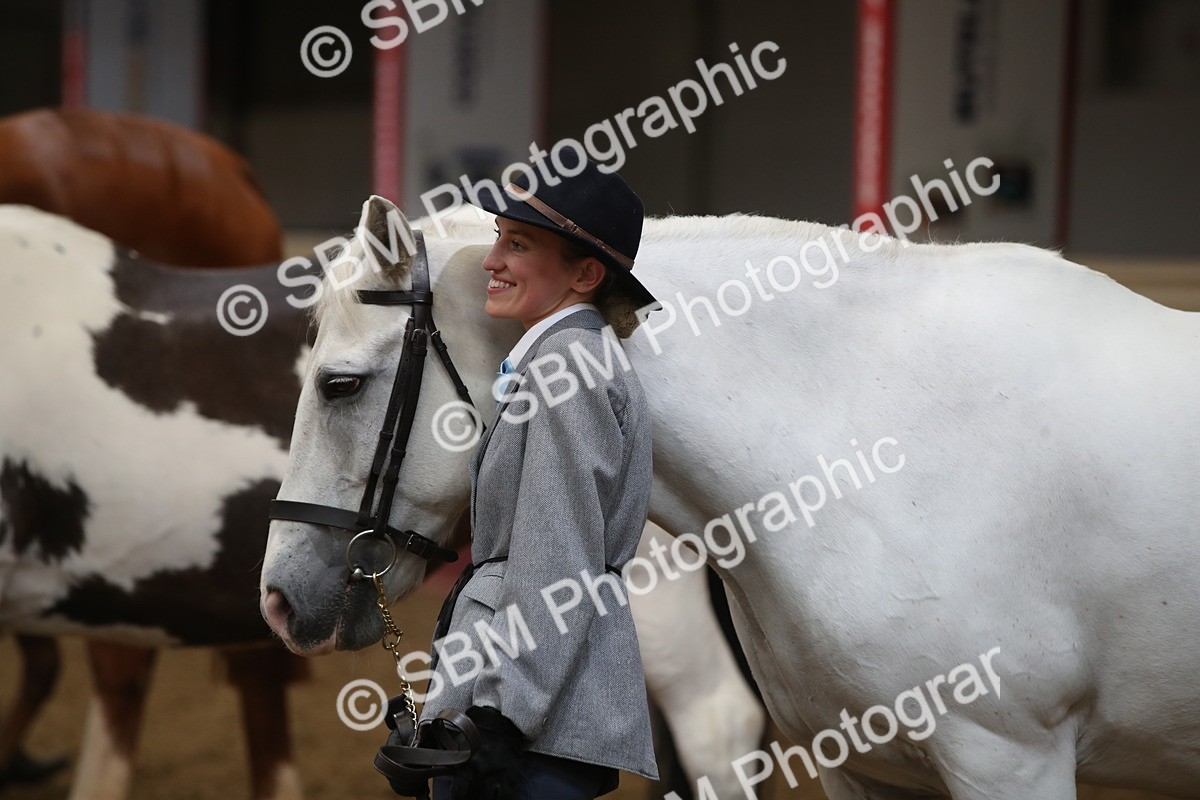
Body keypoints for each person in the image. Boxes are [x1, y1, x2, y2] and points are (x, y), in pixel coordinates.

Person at [400, 156, 660, 800]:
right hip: (517, 692)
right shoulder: (557, 356)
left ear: (586, 274)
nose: (491, 261)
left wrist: (499, 719)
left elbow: (559, 557)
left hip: (529, 721)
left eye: (517, 244)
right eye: (497, 238)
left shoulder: (564, 367)